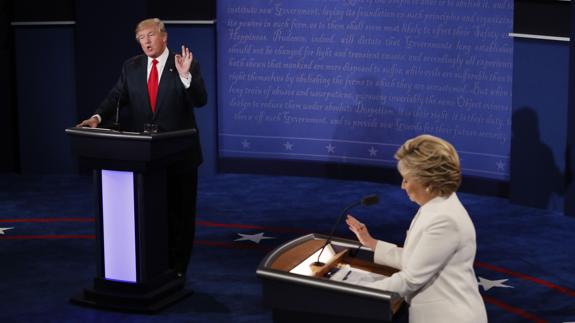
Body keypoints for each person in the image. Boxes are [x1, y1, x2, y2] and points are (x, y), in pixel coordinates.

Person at [77, 18, 208, 277]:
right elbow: (116, 97)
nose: (146, 41)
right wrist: (96, 118)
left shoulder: (183, 63)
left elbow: (200, 100)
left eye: (150, 35)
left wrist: (185, 77)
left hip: (180, 156)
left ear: (164, 36)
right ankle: (154, 265)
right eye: (141, 38)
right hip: (145, 157)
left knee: (180, 217)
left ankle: (178, 269)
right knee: (152, 215)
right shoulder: (132, 67)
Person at [346, 134, 487, 323]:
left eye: (406, 179)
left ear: (428, 183)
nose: (402, 186)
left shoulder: (444, 219)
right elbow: (416, 259)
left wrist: (350, 291)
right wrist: (371, 243)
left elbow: (411, 278)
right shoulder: (435, 206)